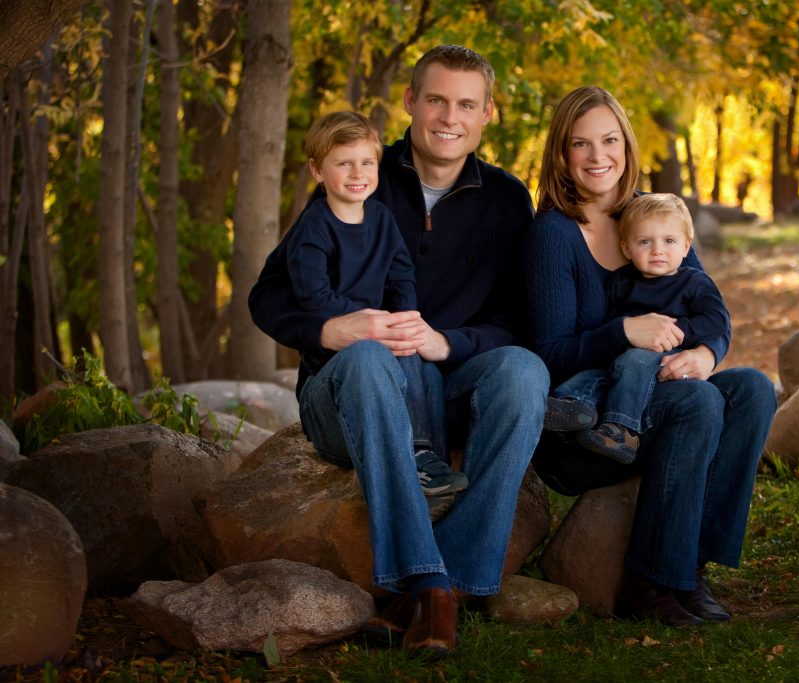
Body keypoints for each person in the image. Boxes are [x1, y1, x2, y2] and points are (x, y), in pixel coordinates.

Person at [249, 45, 547, 658]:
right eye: (435, 99)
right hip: (349, 392)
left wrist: (446, 342)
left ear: (488, 113)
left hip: (448, 381)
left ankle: (449, 583)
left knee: (524, 371)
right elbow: (268, 297)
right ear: (410, 102)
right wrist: (329, 332)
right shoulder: (356, 172)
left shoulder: (507, 199)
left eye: (466, 104)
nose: (448, 116)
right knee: (365, 358)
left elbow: (519, 322)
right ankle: (430, 582)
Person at [525, 85, 776, 627]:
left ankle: (691, 570)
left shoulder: (654, 217)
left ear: (627, 144)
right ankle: (649, 582)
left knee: (752, 388)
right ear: (562, 154)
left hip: (657, 400)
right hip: (586, 426)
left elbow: (710, 307)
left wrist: (708, 354)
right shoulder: (553, 234)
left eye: (609, 140)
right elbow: (549, 354)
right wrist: (624, 331)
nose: (598, 157)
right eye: (581, 144)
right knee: (696, 405)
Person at [259, 110, 466, 496]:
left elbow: (401, 272)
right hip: (335, 363)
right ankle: (408, 464)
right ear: (317, 170)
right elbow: (312, 296)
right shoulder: (314, 228)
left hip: (377, 335)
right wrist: (360, 323)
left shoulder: (381, 219)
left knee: (409, 347)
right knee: (376, 351)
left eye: (367, 163)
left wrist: (403, 317)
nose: (358, 174)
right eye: (344, 164)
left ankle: (422, 454)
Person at [547, 192, 731, 465]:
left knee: (635, 360)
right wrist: (620, 333)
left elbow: (716, 321)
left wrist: (675, 331)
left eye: (669, 241)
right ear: (626, 248)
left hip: (665, 358)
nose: (657, 250)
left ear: (686, 246)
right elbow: (607, 323)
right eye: (645, 242)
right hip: (624, 358)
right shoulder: (622, 282)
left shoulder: (695, 282)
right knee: (601, 371)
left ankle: (624, 431)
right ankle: (571, 405)